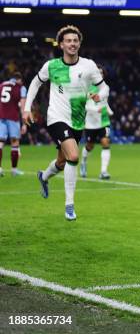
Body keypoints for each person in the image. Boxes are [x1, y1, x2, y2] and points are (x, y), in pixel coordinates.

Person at [23, 25, 108, 221]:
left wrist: (98, 95)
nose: (72, 44)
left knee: (62, 162)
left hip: (78, 121)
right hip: (56, 118)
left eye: (75, 41)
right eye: (68, 41)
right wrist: (27, 108)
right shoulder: (51, 66)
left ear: (79, 44)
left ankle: (43, 177)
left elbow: (105, 88)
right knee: (74, 156)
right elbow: (36, 83)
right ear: (61, 44)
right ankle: (69, 205)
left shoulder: (88, 66)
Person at [80, 65, 113, 179]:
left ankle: (103, 171)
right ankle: (83, 162)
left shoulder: (105, 88)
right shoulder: (87, 88)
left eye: (101, 73)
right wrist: (95, 109)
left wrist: (109, 110)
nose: (99, 75)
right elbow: (84, 106)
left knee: (105, 142)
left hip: (104, 121)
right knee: (90, 146)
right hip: (90, 123)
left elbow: (104, 102)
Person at [0, 72, 27, 176]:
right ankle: (14, 170)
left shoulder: (1, 85)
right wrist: (24, 123)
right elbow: (23, 107)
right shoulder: (21, 88)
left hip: (1, 117)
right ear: (19, 79)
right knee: (15, 142)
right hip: (13, 118)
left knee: (0, 143)